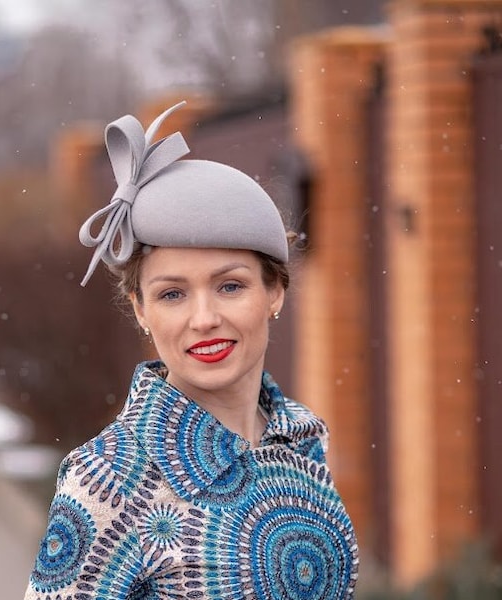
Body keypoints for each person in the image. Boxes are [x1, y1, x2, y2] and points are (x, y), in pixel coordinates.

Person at [23, 101, 359, 600]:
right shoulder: (108, 480)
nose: (203, 319)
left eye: (229, 286)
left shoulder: (302, 440)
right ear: (140, 308)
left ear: (275, 291)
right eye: (172, 294)